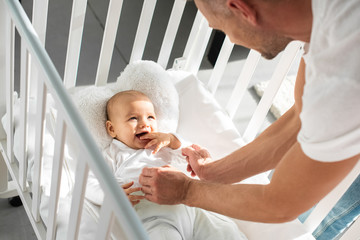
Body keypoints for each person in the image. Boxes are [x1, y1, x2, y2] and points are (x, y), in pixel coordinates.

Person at [139, 0, 360, 238]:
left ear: (241, 10)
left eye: (221, 29)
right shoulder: (327, 16)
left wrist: (187, 191)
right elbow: (302, 116)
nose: (230, 41)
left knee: (321, 215)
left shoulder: (344, 75)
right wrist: (213, 173)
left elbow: (281, 203)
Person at [86, 90, 246, 240]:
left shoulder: (160, 144)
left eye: (150, 117)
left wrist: (172, 140)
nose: (144, 124)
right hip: (155, 214)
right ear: (112, 128)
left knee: (225, 230)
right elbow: (88, 182)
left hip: (191, 206)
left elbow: (186, 154)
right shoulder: (112, 154)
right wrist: (111, 195)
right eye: (133, 118)